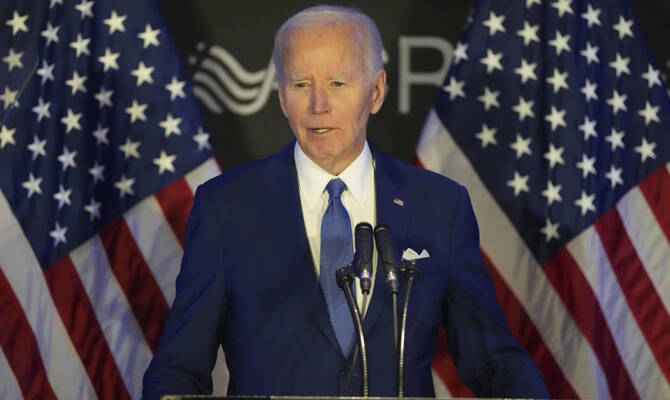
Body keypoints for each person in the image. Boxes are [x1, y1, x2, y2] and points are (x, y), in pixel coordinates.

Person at [142, 5, 549, 399]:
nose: (319, 105)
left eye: (338, 83)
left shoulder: (440, 206)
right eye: (301, 85)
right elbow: (179, 367)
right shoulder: (226, 207)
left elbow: (492, 359)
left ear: (376, 92)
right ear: (282, 97)